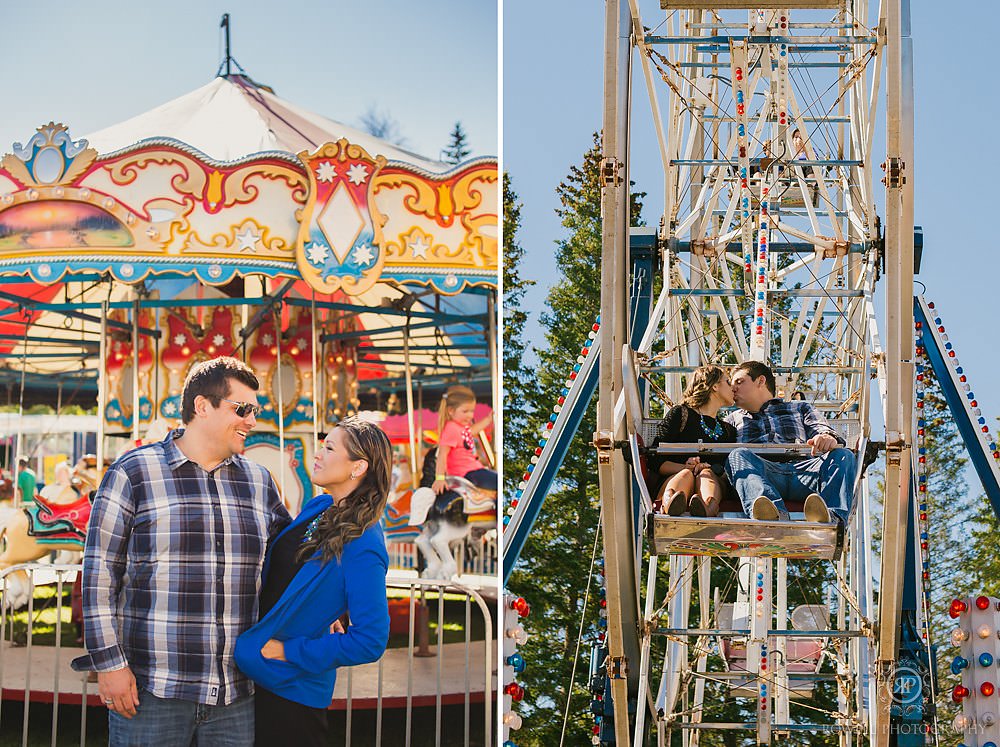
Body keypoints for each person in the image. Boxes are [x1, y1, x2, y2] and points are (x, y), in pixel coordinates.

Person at [71, 356, 290, 746]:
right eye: (242, 409)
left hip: (234, 692)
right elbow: (99, 575)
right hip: (152, 690)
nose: (252, 421)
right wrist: (109, 665)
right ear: (202, 407)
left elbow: (289, 563)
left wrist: (324, 610)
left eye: (254, 411)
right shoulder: (133, 472)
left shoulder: (259, 482)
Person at [235, 416, 391, 746]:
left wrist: (288, 651)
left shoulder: (365, 544)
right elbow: (298, 576)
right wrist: (325, 608)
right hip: (259, 670)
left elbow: (371, 640)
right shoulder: (321, 506)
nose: (317, 454)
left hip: (292, 689)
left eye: (329, 447)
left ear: (358, 467)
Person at [724, 361, 856, 524]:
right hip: (762, 473)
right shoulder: (731, 420)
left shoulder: (799, 407)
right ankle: (770, 512)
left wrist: (826, 437)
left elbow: (819, 427)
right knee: (738, 455)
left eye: (739, 382)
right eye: (731, 384)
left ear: (760, 381)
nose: (733, 388)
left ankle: (832, 517)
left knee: (843, 455)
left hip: (804, 471)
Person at [652, 365, 737, 517]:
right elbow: (656, 461)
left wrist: (710, 468)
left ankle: (707, 508)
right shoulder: (680, 414)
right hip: (676, 477)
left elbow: (729, 470)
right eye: (728, 382)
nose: (733, 388)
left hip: (713, 482)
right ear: (715, 386)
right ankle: (671, 502)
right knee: (686, 475)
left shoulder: (728, 430)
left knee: (706, 474)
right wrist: (687, 467)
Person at [431, 385, 496, 495]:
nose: (470, 415)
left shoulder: (459, 427)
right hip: (467, 473)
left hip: (472, 470)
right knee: (499, 482)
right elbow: (442, 455)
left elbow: (472, 431)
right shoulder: (451, 428)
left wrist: (488, 420)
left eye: (472, 411)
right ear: (451, 411)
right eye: (465, 411)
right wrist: (440, 478)